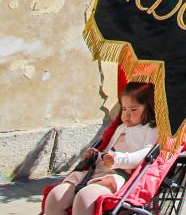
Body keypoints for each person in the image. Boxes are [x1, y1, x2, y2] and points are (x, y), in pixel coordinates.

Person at [44, 83, 158, 215]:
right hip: (95, 171)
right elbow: (108, 151)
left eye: (133, 110)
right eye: (124, 109)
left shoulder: (150, 129)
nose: (126, 114)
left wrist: (118, 160)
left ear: (149, 109)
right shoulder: (121, 128)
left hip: (119, 176)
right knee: (55, 197)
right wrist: (97, 155)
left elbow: (146, 155)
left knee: (84, 198)